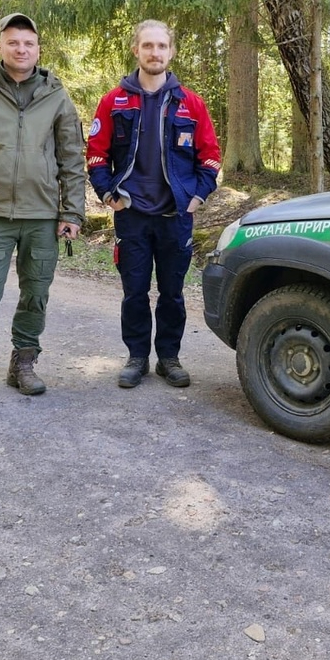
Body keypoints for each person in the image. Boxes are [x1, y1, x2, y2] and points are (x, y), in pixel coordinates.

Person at [0, 13, 86, 414]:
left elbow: (72, 159)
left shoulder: (57, 95)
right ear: (1, 47)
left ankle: (24, 362)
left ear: (38, 49)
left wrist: (71, 212)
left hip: (42, 215)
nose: (21, 49)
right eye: (13, 42)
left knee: (36, 294)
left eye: (28, 43)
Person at [87, 19, 221, 388]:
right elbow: (96, 155)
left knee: (173, 294)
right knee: (134, 292)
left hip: (175, 216)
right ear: (136, 50)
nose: (155, 52)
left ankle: (169, 358)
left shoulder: (190, 104)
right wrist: (107, 194)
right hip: (131, 215)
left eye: (162, 46)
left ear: (171, 52)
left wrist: (197, 195)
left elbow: (210, 157)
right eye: (148, 46)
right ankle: (136, 358)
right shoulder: (113, 101)